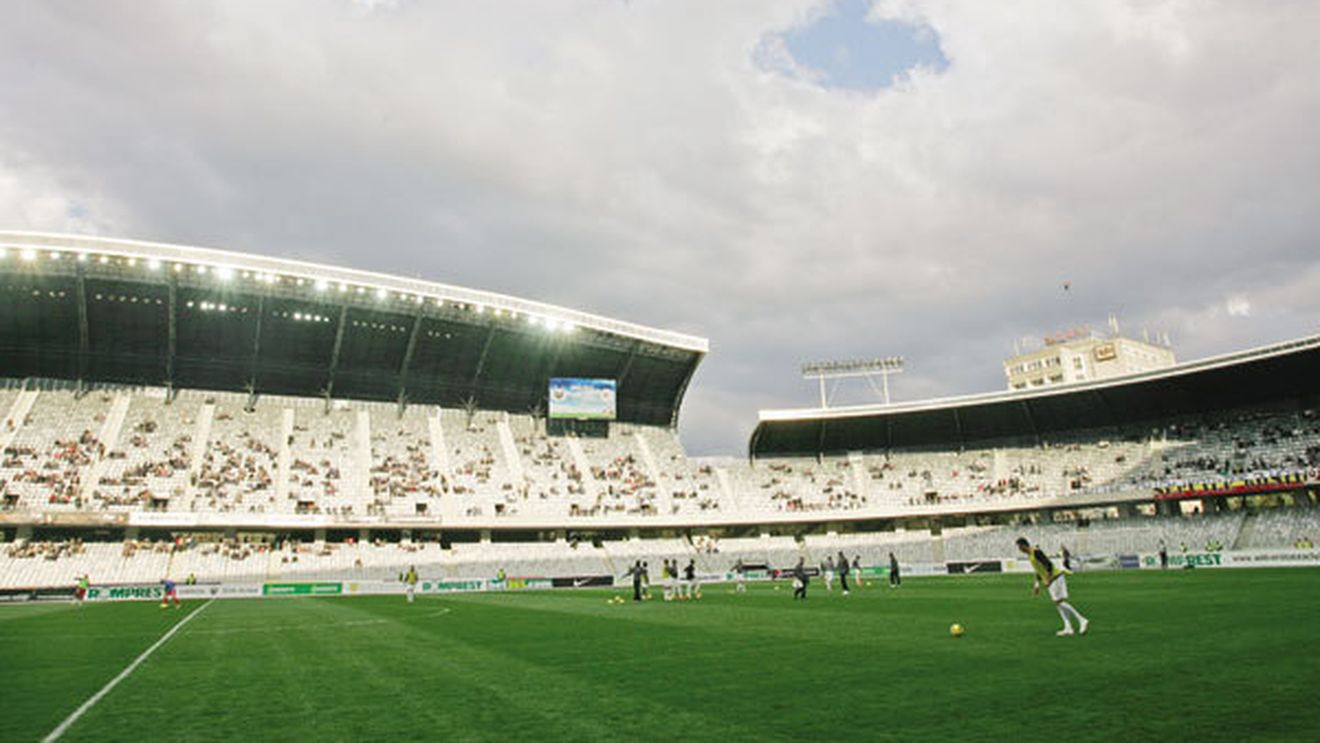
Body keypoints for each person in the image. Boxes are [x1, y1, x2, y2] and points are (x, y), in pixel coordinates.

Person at [1016, 537, 1088, 637]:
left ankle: (1081, 620)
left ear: (1023, 545)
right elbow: (1038, 570)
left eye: (1019, 547)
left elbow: (1048, 564)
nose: (1019, 549)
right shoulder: (1030, 555)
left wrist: (1048, 579)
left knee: (1058, 602)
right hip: (1051, 579)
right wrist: (1037, 584)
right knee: (1058, 604)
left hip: (1056, 577)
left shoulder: (1036, 552)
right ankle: (1068, 627)